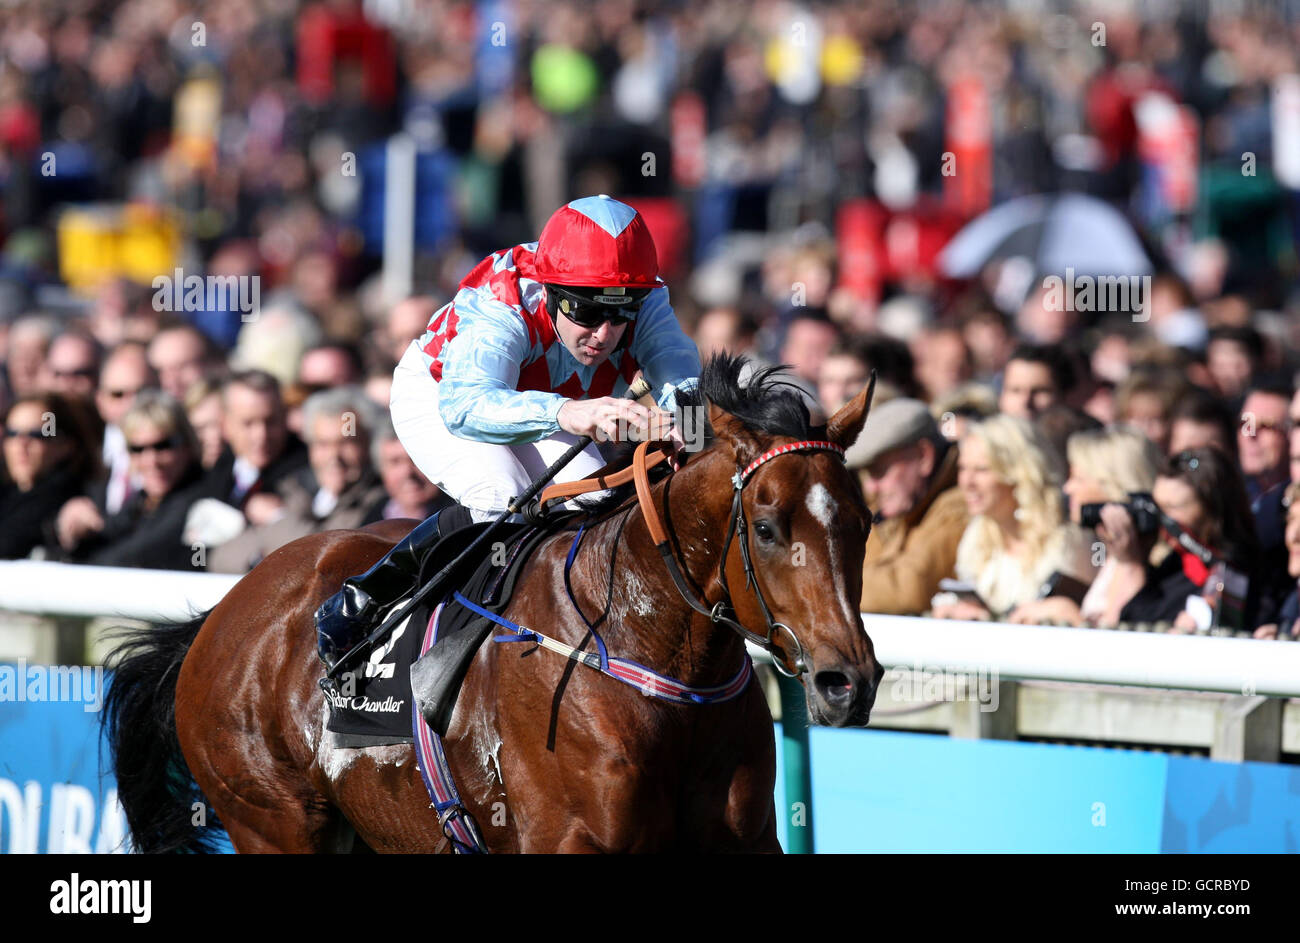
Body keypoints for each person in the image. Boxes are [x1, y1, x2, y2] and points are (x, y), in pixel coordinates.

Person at [315, 195, 700, 667]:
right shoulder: (504, 300)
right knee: (503, 492)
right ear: (551, 290)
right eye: (584, 311)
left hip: (541, 401)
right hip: (442, 396)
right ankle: (367, 598)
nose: (603, 334)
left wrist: (690, 433)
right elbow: (467, 406)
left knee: (594, 500)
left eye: (620, 315)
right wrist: (570, 414)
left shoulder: (647, 295)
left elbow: (679, 375)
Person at [208, 387, 388, 573]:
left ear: (370, 444)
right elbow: (220, 559)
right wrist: (260, 561)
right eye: (323, 444)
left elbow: (325, 561)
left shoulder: (379, 503)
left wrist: (278, 518)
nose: (334, 457)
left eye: (346, 443)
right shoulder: (293, 489)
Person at [933, 414, 1093, 621]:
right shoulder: (977, 535)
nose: (967, 482)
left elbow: (1091, 626)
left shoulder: (1069, 540)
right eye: (963, 468)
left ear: (1019, 474)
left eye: (981, 469)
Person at [1022, 426, 1163, 627]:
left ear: (1113, 486)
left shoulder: (1149, 561)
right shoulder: (1110, 552)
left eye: (1077, 478)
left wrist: (1068, 614)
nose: (1067, 488)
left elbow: (1120, 640)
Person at [55, 390, 210, 570]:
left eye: (163, 446)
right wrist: (74, 526)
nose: (151, 461)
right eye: (138, 449)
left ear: (188, 445)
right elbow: (110, 532)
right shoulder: (144, 501)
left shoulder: (201, 498)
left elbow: (140, 553)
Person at [1117, 448, 1261, 629]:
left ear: (1211, 510)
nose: (1160, 519)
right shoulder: (1174, 565)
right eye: (1157, 507)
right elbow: (1127, 620)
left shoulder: (1244, 577)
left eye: (1171, 508)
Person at [850, 398, 968, 615]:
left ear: (924, 456)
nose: (871, 487)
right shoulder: (898, 505)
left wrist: (824, 587)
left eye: (880, 471)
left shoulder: (959, 505)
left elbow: (909, 589)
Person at [0, 392, 102, 559]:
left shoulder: (69, 499)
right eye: (12, 434)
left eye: (36, 435)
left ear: (65, 445)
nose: (21, 445)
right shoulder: (7, 495)